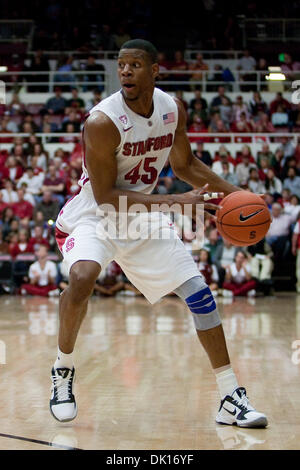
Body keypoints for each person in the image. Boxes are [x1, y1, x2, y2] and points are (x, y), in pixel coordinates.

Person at [50, 39, 267, 428]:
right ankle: (63, 370)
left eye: (135, 64)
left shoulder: (171, 109)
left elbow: (185, 165)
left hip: (141, 217)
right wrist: (174, 203)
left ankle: (230, 396)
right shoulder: (101, 122)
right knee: (82, 276)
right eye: (121, 65)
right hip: (94, 216)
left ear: (154, 71)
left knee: (200, 294)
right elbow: (106, 197)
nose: (126, 72)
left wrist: (241, 195)